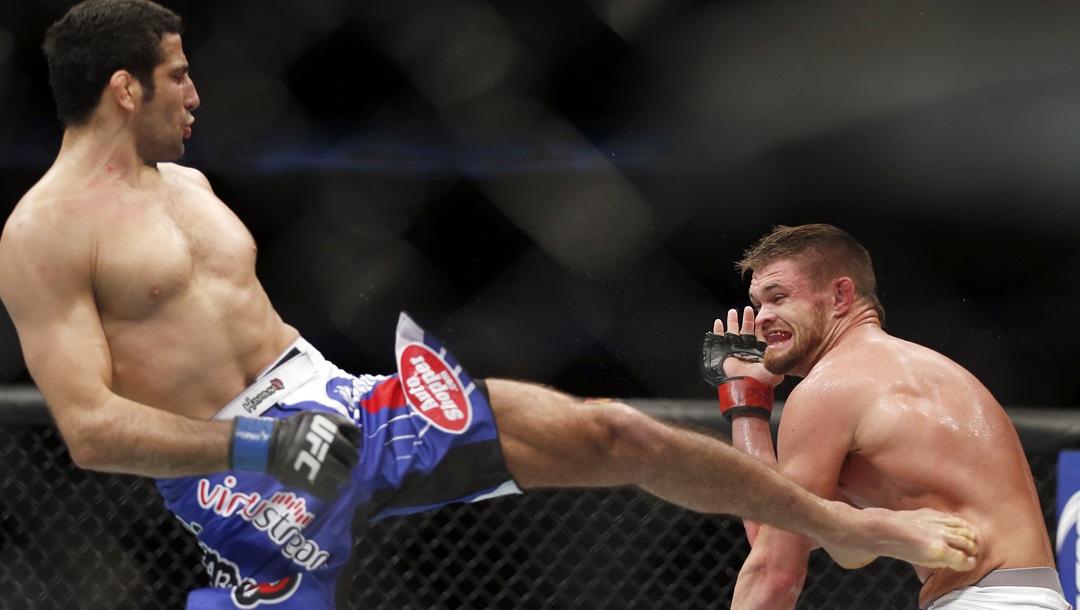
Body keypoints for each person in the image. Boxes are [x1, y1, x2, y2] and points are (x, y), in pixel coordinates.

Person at [0, 1, 980, 608]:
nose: (197, 93)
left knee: (611, 432)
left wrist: (328, 408)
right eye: (177, 75)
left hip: (338, 405)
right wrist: (259, 447)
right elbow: (89, 432)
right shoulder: (45, 233)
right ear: (123, 89)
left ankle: (845, 528)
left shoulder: (190, 188)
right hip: (234, 469)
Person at [710, 223, 1065, 610]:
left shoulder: (832, 386)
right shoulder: (912, 372)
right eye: (758, 304)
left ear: (841, 294)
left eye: (779, 298)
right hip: (1030, 595)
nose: (761, 318)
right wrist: (748, 399)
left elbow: (773, 574)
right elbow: (778, 530)